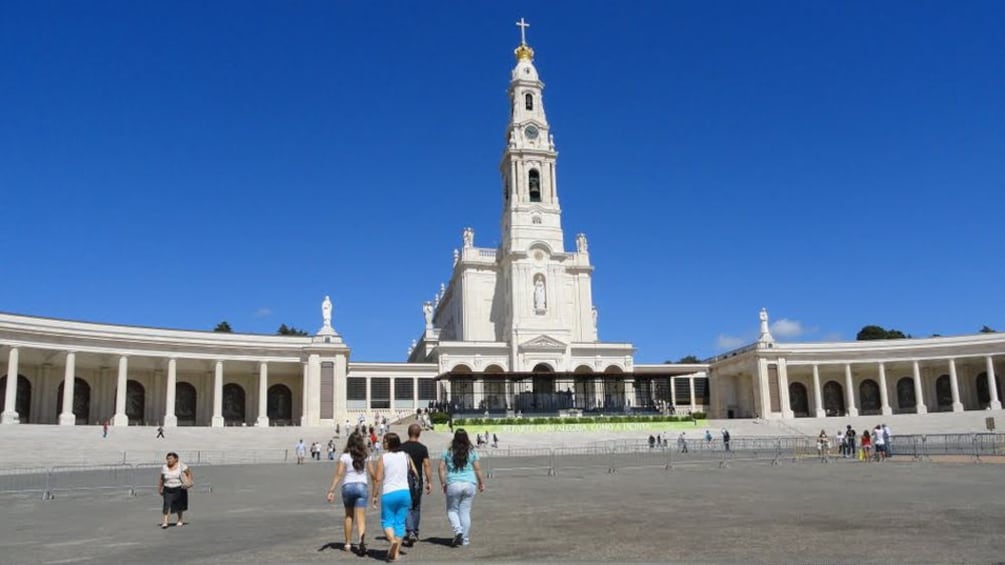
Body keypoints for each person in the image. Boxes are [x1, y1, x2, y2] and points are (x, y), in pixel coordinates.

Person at [326, 431, 373, 555]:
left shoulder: (344, 456)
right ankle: (361, 541)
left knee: (349, 515)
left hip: (348, 486)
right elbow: (372, 473)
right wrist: (376, 487)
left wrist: (331, 490)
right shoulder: (366, 455)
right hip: (361, 486)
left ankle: (347, 543)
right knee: (361, 518)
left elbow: (339, 474)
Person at [439, 429, 486, 548]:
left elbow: (441, 468)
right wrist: (481, 483)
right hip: (470, 483)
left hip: (453, 483)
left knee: (452, 510)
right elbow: (478, 469)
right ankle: (464, 539)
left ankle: (458, 531)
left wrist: (443, 483)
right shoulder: (471, 451)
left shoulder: (447, 451)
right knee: (465, 512)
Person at [372, 432, 415, 562]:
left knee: (387, 521)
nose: (383, 442)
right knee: (400, 523)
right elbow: (413, 470)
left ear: (390, 443)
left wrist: (374, 495)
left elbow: (378, 479)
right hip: (404, 492)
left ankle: (392, 540)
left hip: (389, 492)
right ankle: (395, 554)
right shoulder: (406, 456)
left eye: (385, 441)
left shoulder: (384, 458)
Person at [400, 424, 432, 547]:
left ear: (408, 433)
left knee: (407, 506)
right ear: (419, 434)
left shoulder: (401, 447)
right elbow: (427, 465)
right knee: (416, 506)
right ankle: (415, 530)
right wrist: (429, 481)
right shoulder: (422, 448)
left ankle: (410, 530)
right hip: (418, 480)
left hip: (404, 479)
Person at [157, 451, 193, 529]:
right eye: (167, 459)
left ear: (176, 459)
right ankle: (165, 522)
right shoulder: (164, 467)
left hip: (179, 487)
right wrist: (160, 488)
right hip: (167, 488)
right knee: (166, 504)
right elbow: (162, 478)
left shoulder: (181, 466)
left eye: (171, 458)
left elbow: (189, 473)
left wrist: (189, 481)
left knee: (178, 504)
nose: (169, 460)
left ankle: (180, 519)